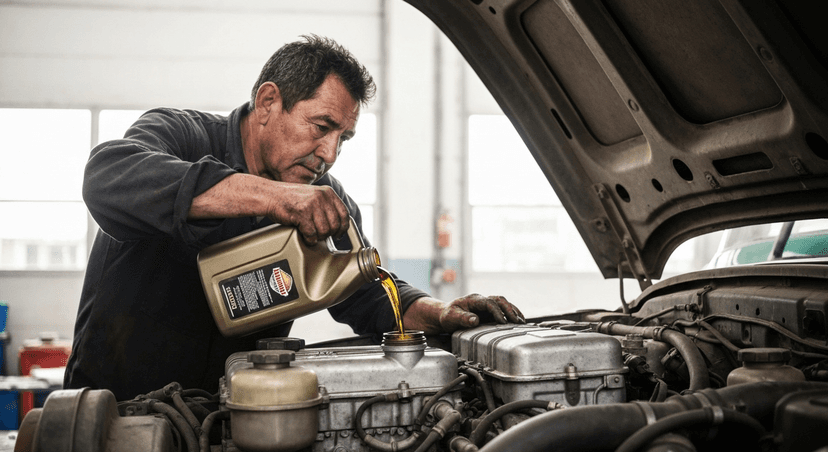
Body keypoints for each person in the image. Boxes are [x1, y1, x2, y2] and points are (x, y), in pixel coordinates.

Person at [64, 35, 524, 401]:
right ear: (267, 103)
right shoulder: (180, 135)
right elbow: (106, 178)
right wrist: (273, 198)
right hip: (115, 412)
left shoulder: (322, 199)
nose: (329, 154)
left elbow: (365, 292)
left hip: (222, 418)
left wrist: (442, 313)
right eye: (321, 127)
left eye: (343, 139)